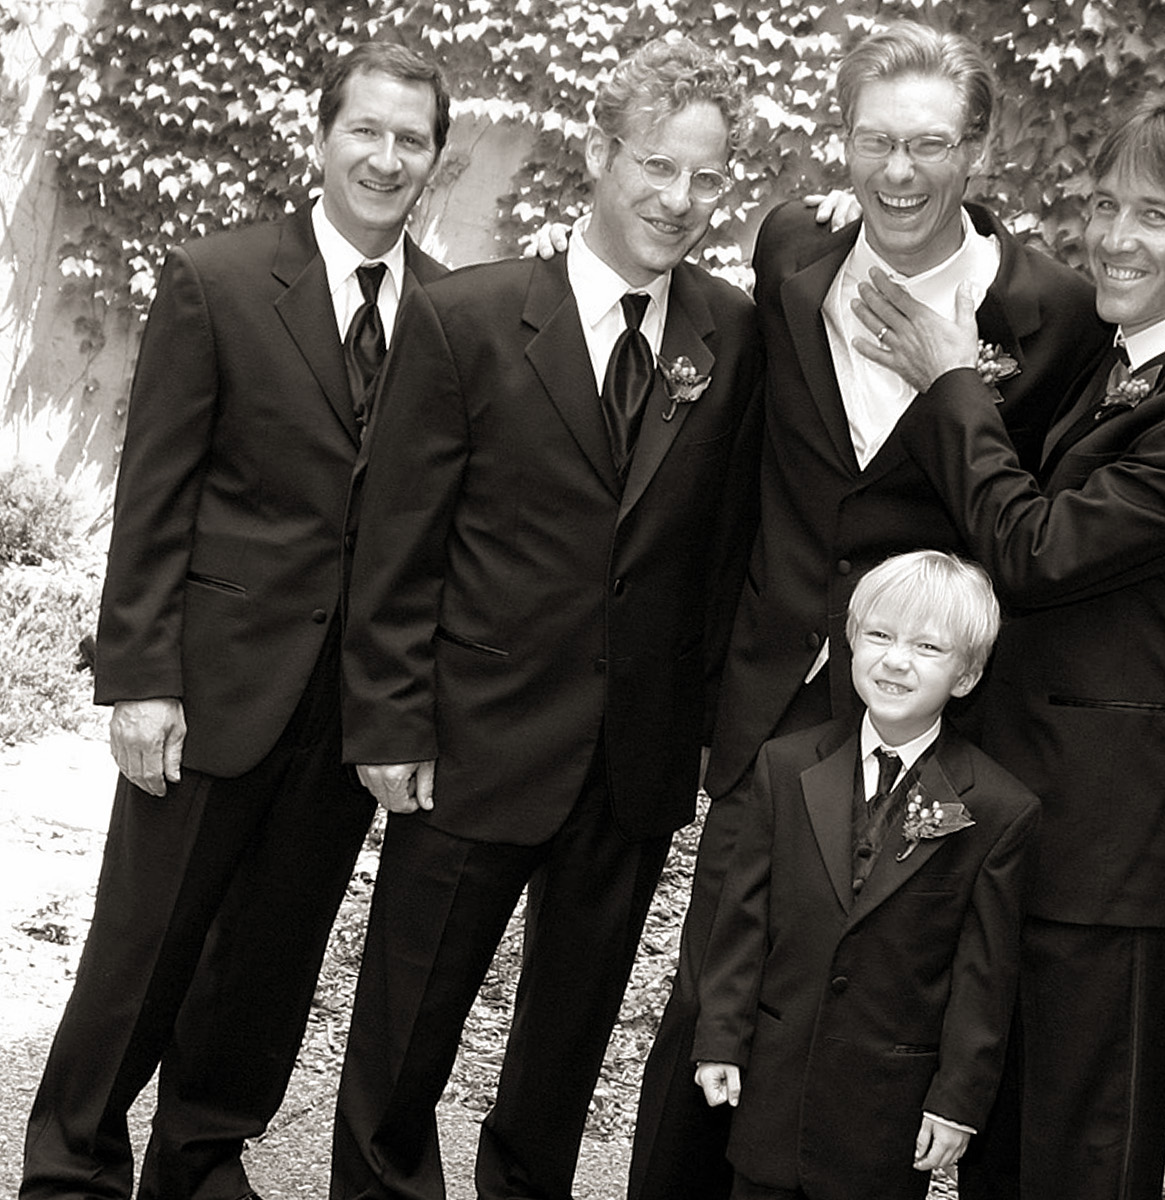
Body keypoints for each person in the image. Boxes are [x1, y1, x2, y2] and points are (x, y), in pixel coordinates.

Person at [629, 23, 1108, 1198]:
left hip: (915, 706)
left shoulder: (1050, 311)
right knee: (712, 995)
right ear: (842, 139)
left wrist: (956, 378)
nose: (898, 172)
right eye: (875, 141)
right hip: (775, 692)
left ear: (977, 150)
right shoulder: (793, 244)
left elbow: (1027, 521)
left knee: (869, 1008)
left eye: (930, 145)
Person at [331, 36, 763, 1200]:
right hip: (472, 743)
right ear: (599, 155)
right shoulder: (463, 318)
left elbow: (724, 551)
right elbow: (396, 542)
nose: (680, 199)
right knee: (403, 1040)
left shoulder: (732, 334)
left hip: (632, 763)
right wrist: (390, 720)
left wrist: (705, 728)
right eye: (658, 166)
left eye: (708, 177)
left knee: (563, 1055)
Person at [18, 41, 450, 1200]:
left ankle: (201, 1160)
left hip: (346, 707)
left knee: (271, 959)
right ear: (323, 136)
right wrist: (139, 679)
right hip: (211, 689)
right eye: (367, 130)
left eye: (411, 140)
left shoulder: (452, 311)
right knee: (141, 950)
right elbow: (154, 495)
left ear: (436, 161)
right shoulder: (215, 280)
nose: (387, 157)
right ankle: (71, 1170)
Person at [855, 96, 1165, 1197]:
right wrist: (894, 204)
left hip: (1113, 854)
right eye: (1103, 206)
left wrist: (952, 382)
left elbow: (1035, 550)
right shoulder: (1135, 354)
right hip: (1034, 817)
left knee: (1078, 1158)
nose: (1113, 238)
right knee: (995, 1141)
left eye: (1153, 214)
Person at [693, 550, 1040, 1200]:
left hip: (886, 1106)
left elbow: (984, 974)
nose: (896, 660)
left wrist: (956, 1100)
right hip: (775, 1083)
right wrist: (720, 1037)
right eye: (880, 635)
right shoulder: (785, 765)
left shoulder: (997, 808)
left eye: (927, 647)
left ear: (966, 676)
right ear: (852, 643)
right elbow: (742, 918)